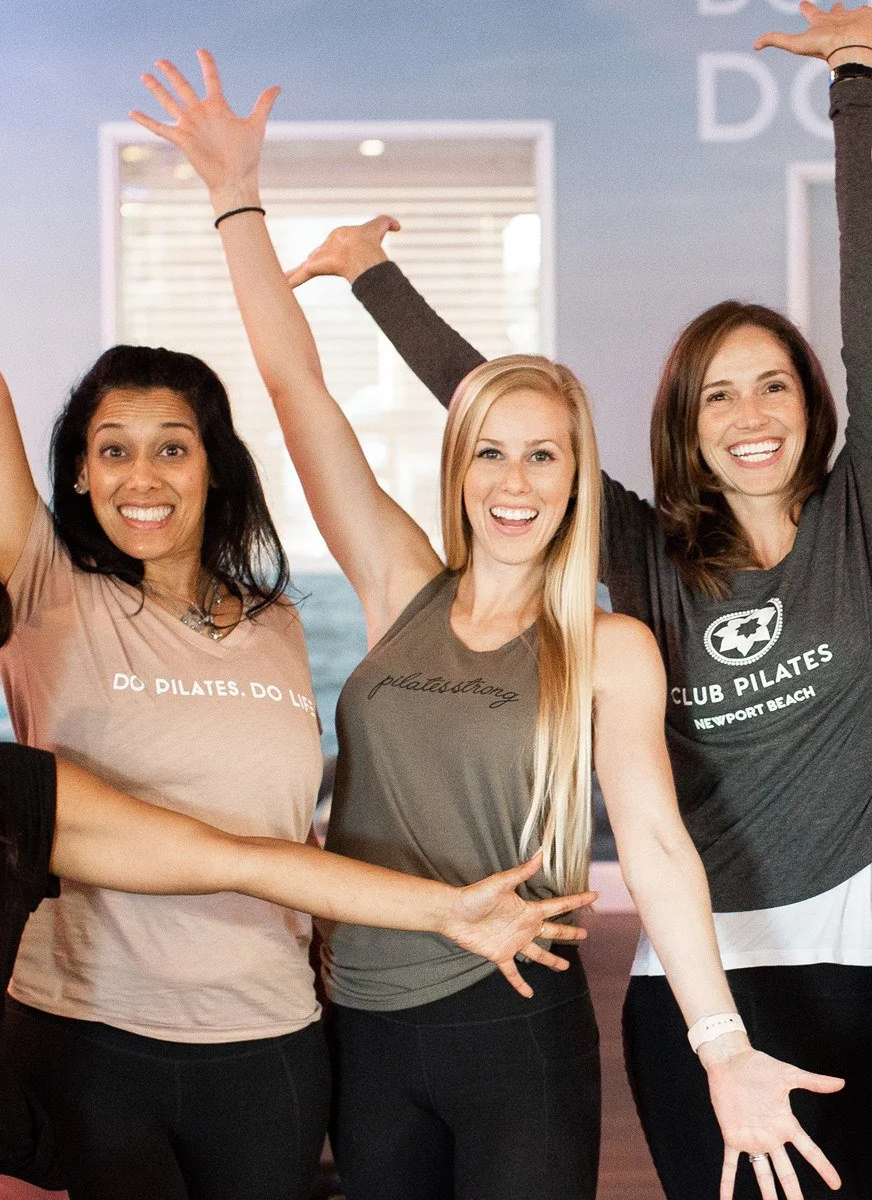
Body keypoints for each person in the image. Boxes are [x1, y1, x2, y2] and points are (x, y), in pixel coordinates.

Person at [0, 204, 591, 1200]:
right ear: (78, 469)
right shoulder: (41, 589)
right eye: (113, 449)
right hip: (86, 1039)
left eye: (172, 448)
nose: (141, 475)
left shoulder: (276, 623)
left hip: (269, 1041)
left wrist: (444, 913)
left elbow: (251, 851)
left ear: (213, 467)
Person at [130, 47, 850, 1200]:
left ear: (578, 480)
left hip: (514, 1032)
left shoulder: (610, 647)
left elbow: (660, 848)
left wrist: (723, 1048)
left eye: (546, 456)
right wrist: (234, 196)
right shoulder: (398, 582)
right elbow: (294, 390)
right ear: (463, 468)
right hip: (357, 1019)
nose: (516, 481)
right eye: (494, 454)